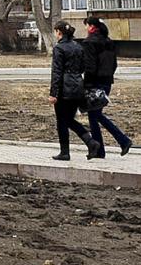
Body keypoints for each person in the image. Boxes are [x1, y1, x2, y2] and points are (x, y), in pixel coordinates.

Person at [48, 20, 100, 160]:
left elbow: (57, 72)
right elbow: (83, 67)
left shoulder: (59, 48)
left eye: (55, 31)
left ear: (58, 32)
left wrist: (53, 93)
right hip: (78, 86)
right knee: (69, 119)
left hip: (64, 89)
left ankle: (65, 152)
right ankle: (90, 143)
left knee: (62, 121)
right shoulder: (78, 46)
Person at [81, 16, 132, 157]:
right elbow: (114, 64)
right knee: (94, 116)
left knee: (96, 115)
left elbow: (90, 67)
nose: (86, 28)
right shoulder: (108, 41)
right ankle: (99, 150)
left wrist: (87, 86)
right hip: (107, 82)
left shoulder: (89, 43)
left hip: (94, 83)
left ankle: (123, 140)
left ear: (91, 27)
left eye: (86, 25)